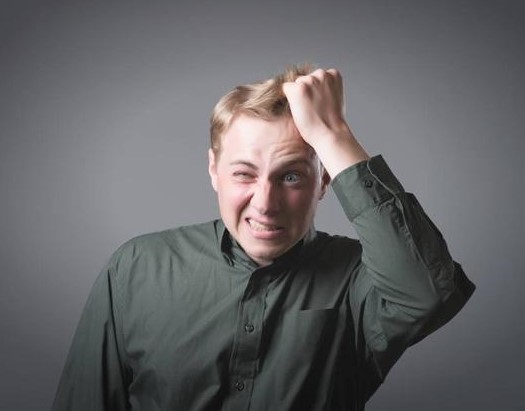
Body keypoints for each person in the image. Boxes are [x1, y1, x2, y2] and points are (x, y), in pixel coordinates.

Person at [52, 64, 475, 410]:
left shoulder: (359, 277)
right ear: (213, 170)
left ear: (324, 180)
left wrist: (334, 134)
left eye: (291, 176)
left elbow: (430, 294)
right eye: (244, 174)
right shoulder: (136, 268)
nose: (266, 203)